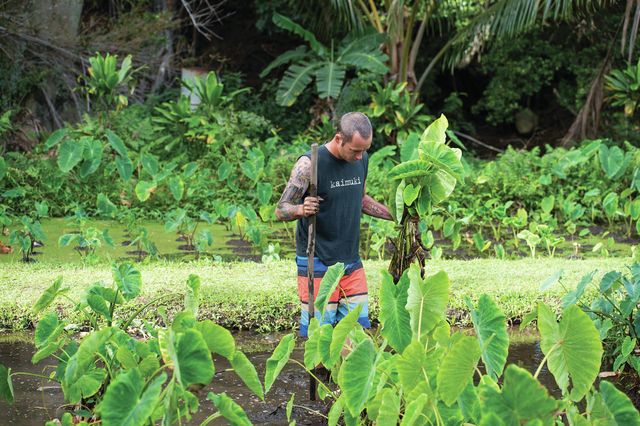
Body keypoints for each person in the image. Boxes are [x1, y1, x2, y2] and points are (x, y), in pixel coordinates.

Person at [275, 112, 393, 337]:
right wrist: (301, 209)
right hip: (317, 259)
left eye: (364, 150)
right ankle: (319, 374)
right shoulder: (309, 164)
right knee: (320, 336)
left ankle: (343, 373)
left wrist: (395, 216)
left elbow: (361, 199)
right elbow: (281, 210)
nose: (360, 157)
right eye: (355, 150)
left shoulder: (361, 160)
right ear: (339, 139)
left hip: (351, 261)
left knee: (355, 332)